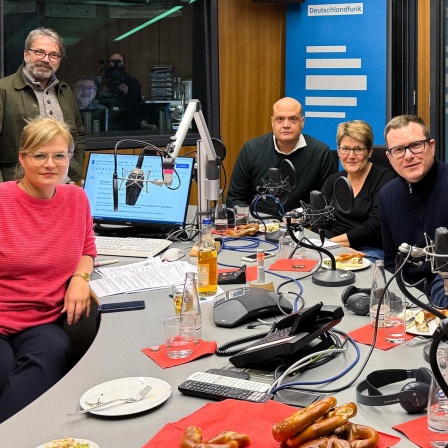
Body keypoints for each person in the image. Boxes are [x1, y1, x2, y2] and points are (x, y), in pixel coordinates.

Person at [0, 116, 97, 423]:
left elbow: (87, 249)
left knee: (53, 351)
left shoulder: (76, 199)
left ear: (70, 158)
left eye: (59, 155)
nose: (50, 164)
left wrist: (80, 278)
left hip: (41, 322)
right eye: (40, 155)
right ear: (22, 157)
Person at [378, 114, 448, 306]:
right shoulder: (386, 195)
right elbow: (392, 262)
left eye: (416, 145)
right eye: (399, 150)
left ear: (431, 146)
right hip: (406, 301)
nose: (408, 156)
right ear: (389, 157)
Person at [0, 27, 85, 183]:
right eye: (39, 52)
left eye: (53, 55)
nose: (46, 59)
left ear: (59, 60)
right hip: (17, 188)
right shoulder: (3, 90)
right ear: (26, 55)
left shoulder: (65, 91)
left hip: (63, 186)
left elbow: (78, 135)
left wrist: (74, 171)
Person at [226, 97, 336, 215]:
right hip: (257, 225)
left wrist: (299, 216)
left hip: (302, 225)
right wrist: (252, 224)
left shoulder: (320, 152)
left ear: (302, 122)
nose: (286, 125)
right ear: (272, 122)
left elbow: (326, 199)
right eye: (280, 119)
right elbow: (235, 198)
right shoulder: (251, 150)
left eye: (293, 119)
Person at [312, 120, 396, 262]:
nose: (351, 156)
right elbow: (318, 224)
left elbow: (374, 227)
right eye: (345, 149)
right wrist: (336, 248)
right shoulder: (332, 181)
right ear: (338, 151)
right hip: (332, 248)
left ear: (369, 152)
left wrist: (334, 246)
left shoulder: (386, 179)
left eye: (358, 149)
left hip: (371, 251)